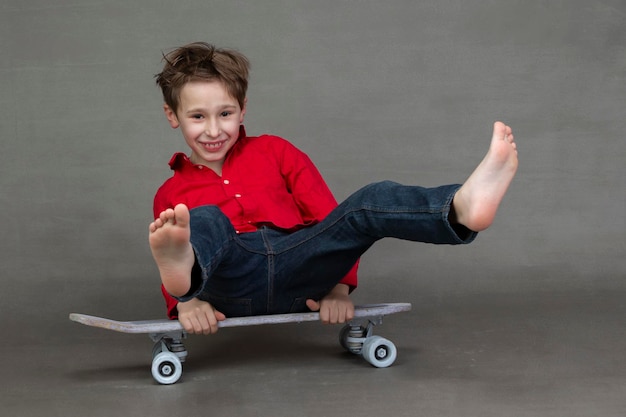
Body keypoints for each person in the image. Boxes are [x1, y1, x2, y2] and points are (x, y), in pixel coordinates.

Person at [149, 42, 518, 335]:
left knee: (365, 204)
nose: (214, 130)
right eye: (198, 116)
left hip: (300, 263)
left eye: (225, 114)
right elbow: (174, 251)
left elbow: (330, 223)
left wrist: (339, 287)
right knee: (202, 221)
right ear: (172, 115)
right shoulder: (171, 190)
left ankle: (457, 209)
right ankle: (187, 289)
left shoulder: (277, 151)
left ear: (242, 110)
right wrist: (185, 304)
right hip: (230, 280)